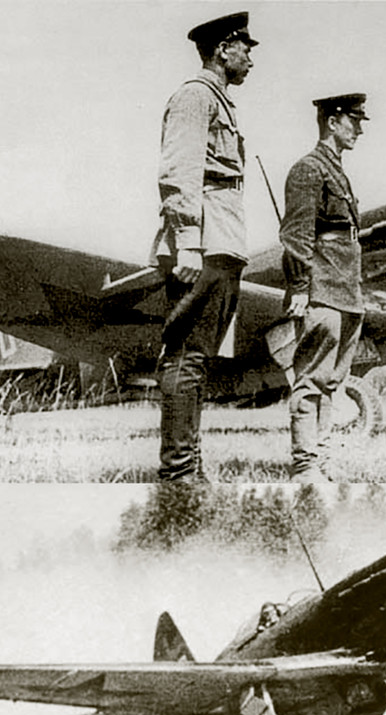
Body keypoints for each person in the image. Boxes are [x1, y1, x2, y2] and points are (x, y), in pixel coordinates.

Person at [149, 12, 258, 482]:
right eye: (245, 47)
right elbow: (179, 173)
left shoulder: (218, 102)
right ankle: (177, 473)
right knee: (185, 358)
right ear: (222, 49)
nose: (250, 57)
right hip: (204, 243)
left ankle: (190, 467)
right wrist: (189, 244)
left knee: (198, 360)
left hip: (223, 241)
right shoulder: (196, 97)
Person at [279, 94, 369, 482]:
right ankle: (304, 464)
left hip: (346, 289)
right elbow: (296, 234)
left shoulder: (337, 171)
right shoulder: (308, 170)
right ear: (333, 122)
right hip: (321, 289)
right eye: (354, 120)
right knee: (312, 378)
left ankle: (323, 459)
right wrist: (300, 286)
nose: (360, 128)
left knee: (333, 381)